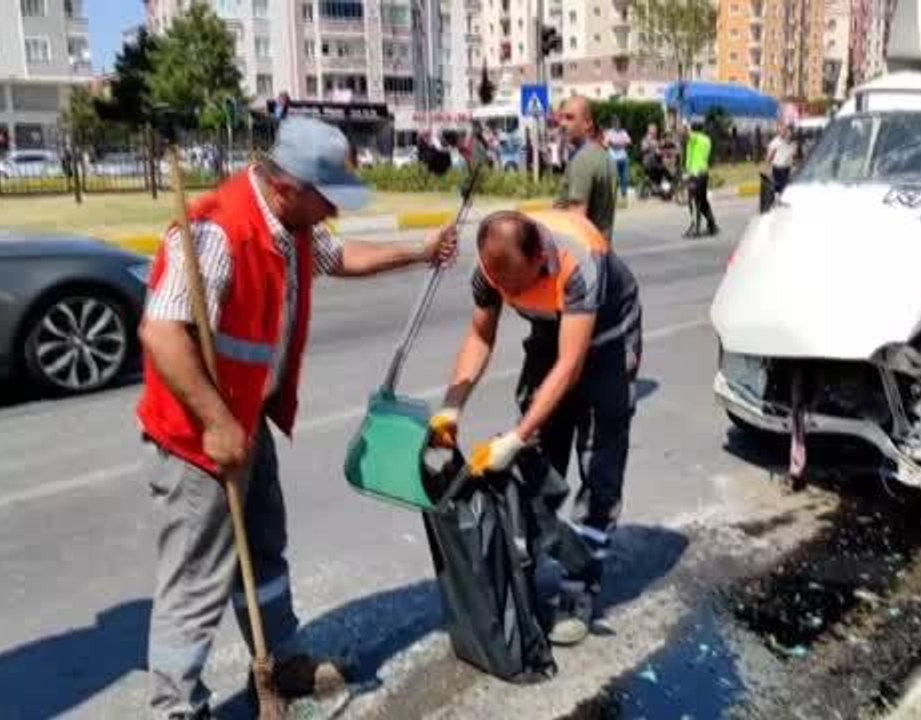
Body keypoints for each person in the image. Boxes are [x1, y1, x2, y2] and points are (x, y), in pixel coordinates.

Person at [136, 116, 458, 720]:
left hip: (246, 422)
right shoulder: (216, 232)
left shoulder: (294, 225)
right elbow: (160, 332)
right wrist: (217, 423)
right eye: (328, 197)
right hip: (196, 437)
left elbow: (340, 256)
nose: (334, 210)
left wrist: (417, 253)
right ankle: (176, 707)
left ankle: (278, 660)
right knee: (196, 579)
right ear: (288, 186)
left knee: (265, 549)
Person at [429, 209, 642, 647]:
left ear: (540, 258)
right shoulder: (490, 269)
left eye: (518, 285)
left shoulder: (578, 262)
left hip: (606, 337)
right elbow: (480, 336)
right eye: (503, 287)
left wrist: (515, 436)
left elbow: (570, 365)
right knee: (537, 459)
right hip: (550, 330)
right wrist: (451, 407)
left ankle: (580, 586)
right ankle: (528, 560)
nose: (510, 295)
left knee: (598, 463)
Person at [554, 96, 619, 241]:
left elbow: (576, 221)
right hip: (601, 247)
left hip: (584, 250)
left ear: (587, 123)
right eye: (562, 118)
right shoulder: (605, 156)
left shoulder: (582, 160)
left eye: (570, 118)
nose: (562, 123)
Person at [684, 120, 718, 237]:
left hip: (695, 173)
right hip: (704, 172)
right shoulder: (707, 139)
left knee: (693, 201)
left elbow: (687, 134)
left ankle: (695, 228)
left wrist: (683, 124)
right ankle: (712, 224)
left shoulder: (695, 138)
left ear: (693, 130)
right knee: (702, 201)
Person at [603, 117, 632, 200]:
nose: (617, 124)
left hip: (623, 157)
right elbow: (605, 144)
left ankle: (624, 195)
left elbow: (629, 142)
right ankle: (613, 195)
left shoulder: (623, 132)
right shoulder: (609, 132)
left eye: (618, 122)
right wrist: (615, 144)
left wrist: (617, 144)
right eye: (615, 122)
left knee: (625, 177)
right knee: (613, 178)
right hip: (613, 158)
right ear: (612, 123)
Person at [766, 123, 797, 195]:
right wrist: (768, 168)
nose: (785, 132)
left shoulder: (793, 144)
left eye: (786, 130)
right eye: (782, 130)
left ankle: (781, 197)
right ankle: (778, 197)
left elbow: (794, 156)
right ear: (779, 132)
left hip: (787, 169)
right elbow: (769, 156)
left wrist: (794, 166)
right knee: (778, 188)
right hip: (777, 168)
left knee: (785, 188)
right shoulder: (775, 142)